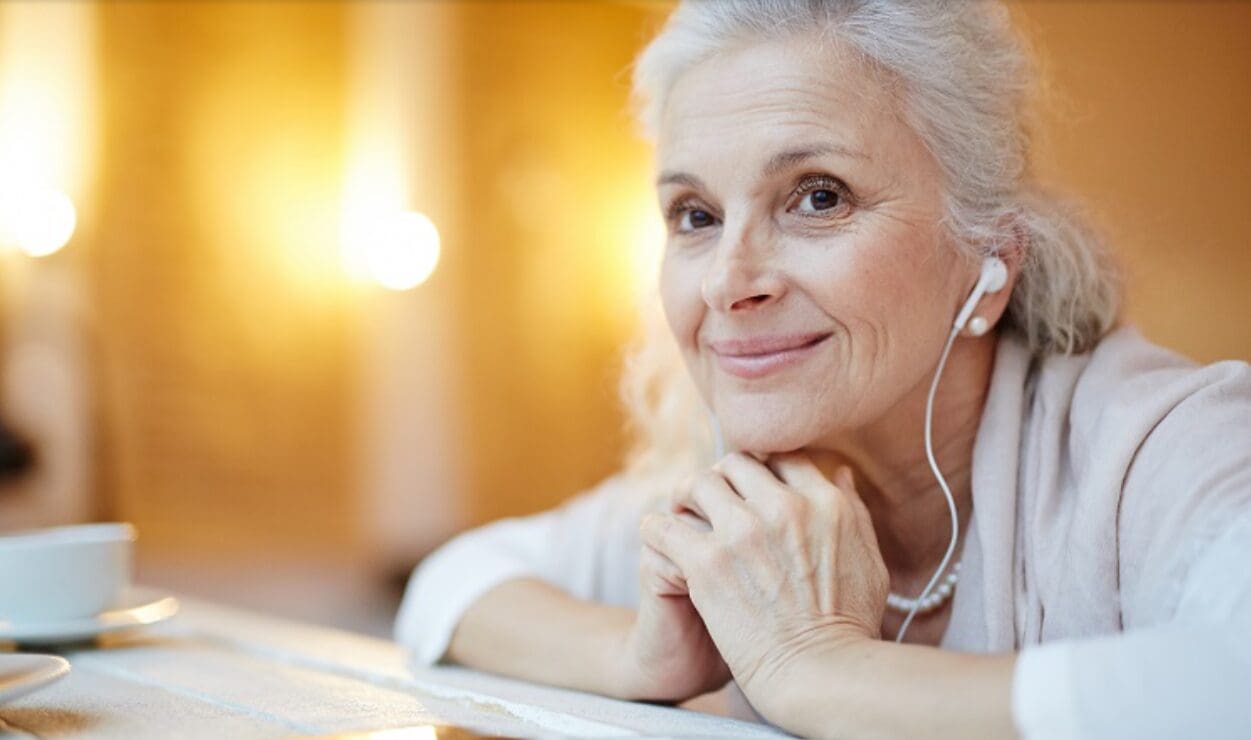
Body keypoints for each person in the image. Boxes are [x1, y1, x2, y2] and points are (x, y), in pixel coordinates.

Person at [395, 2, 1251, 738]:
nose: (730, 282)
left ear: (988, 261)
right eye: (694, 215)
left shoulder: (1167, 446)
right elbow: (452, 584)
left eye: (817, 197)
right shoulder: (734, 491)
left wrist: (816, 671)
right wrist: (631, 654)